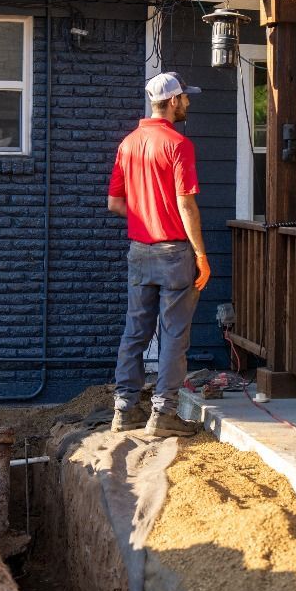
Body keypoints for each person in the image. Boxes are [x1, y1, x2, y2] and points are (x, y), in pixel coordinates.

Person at [107, 72, 211, 437]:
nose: (188, 103)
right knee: (174, 334)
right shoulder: (178, 144)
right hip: (173, 252)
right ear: (171, 102)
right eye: (184, 98)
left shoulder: (129, 143)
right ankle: (163, 414)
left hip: (139, 250)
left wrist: (145, 214)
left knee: (135, 330)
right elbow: (186, 203)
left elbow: (115, 203)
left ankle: (124, 409)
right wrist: (200, 253)